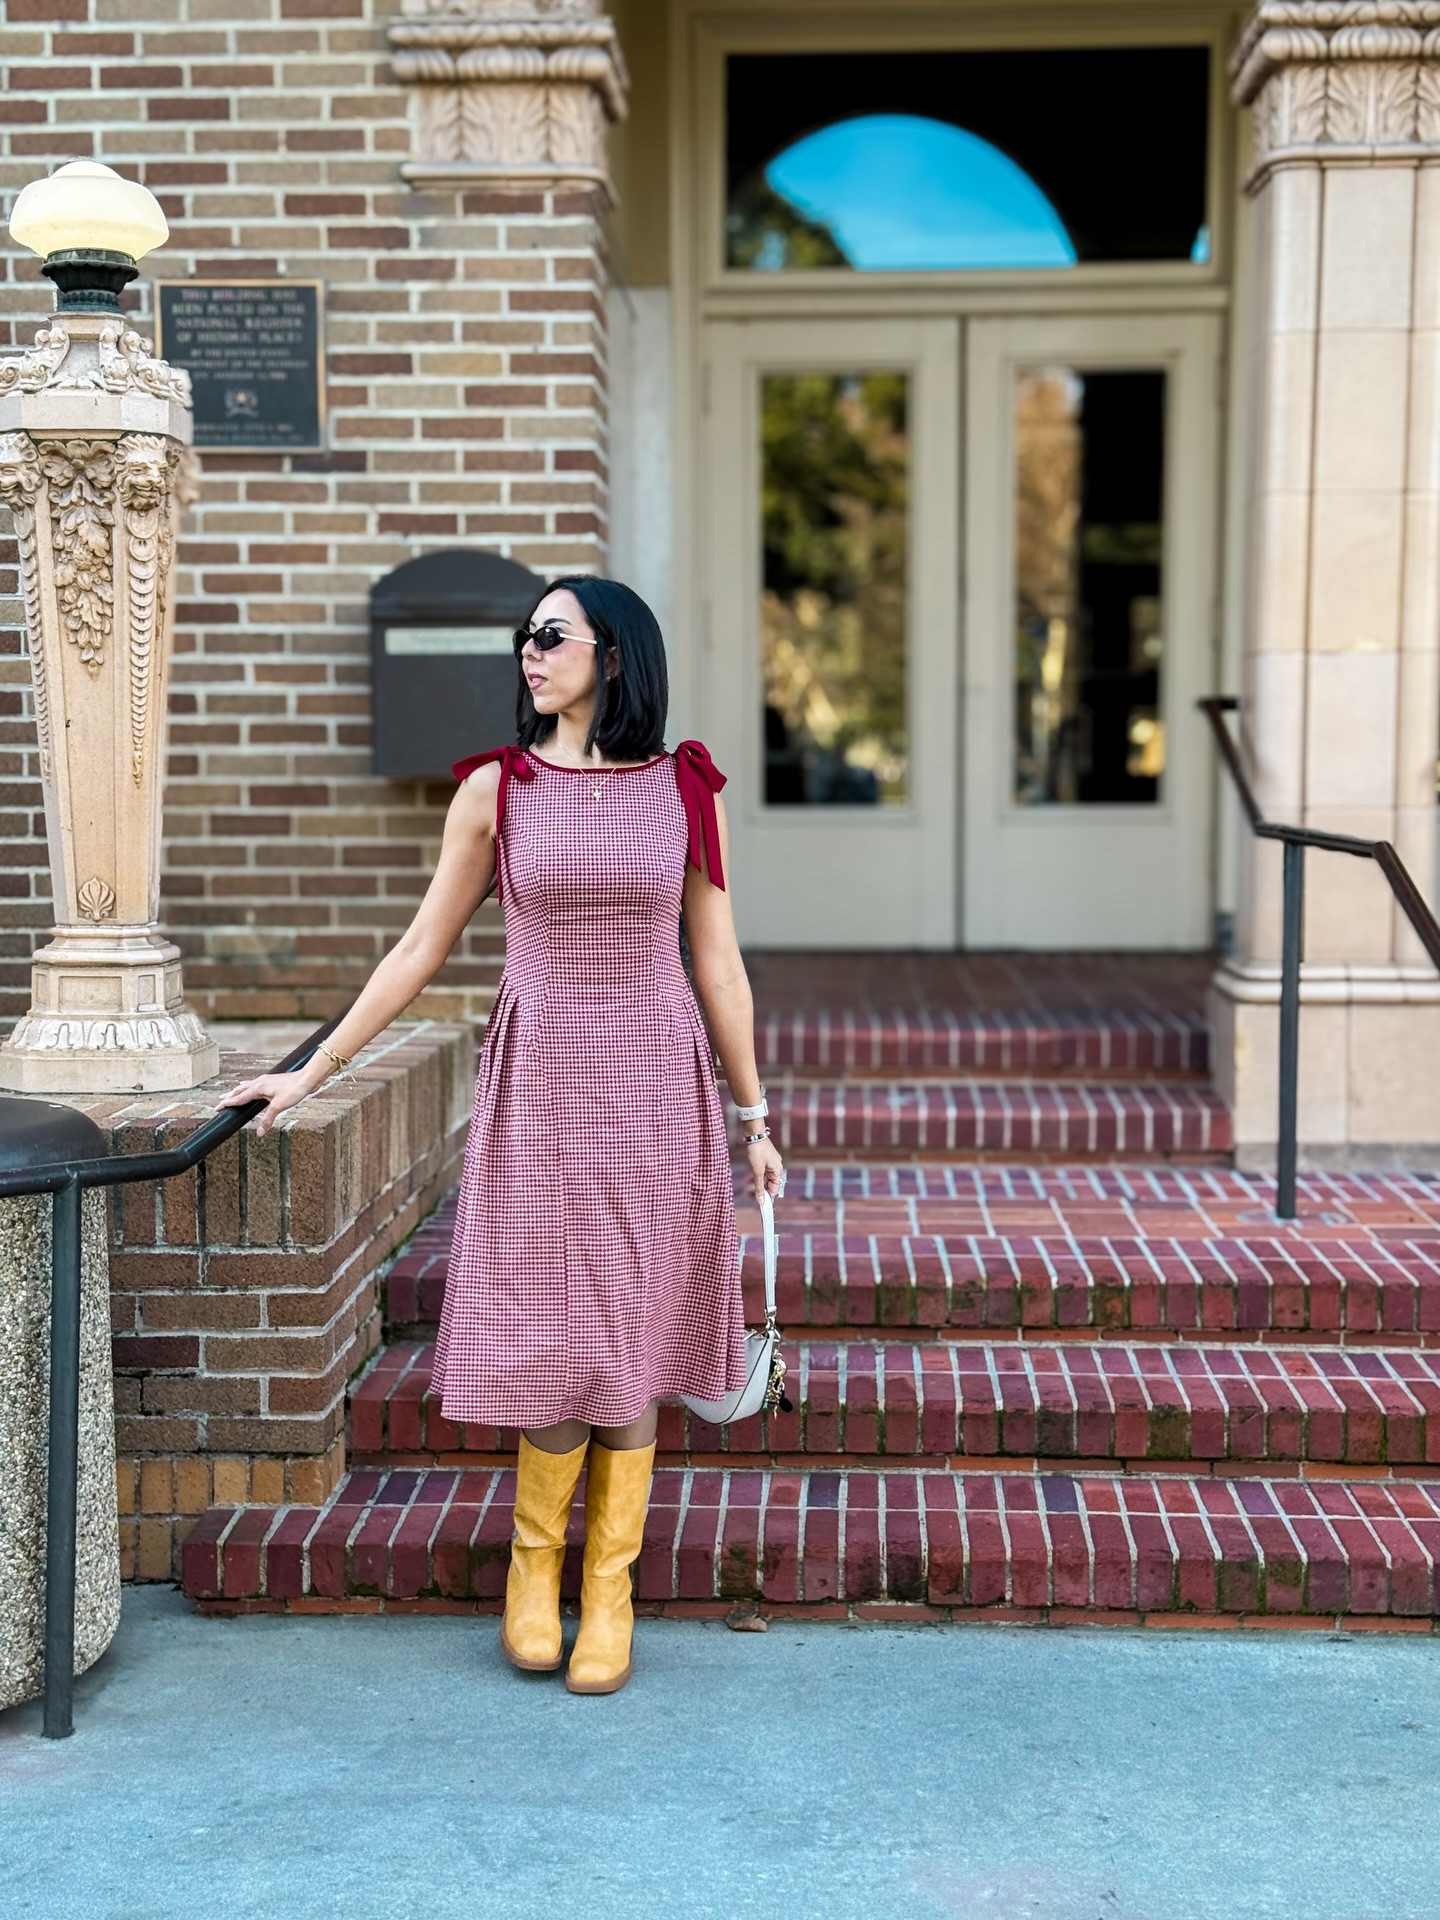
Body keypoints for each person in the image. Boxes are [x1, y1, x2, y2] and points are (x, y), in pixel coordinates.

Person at [221, 575, 785, 1695]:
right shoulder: (496, 788)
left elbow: (717, 962)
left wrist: (754, 1116)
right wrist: (305, 1070)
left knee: (627, 1330)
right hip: (539, 1088)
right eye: (522, 637)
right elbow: (420, 947)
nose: (529, 654)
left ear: (613, 655)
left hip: (653, 1085)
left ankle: (608, 1587)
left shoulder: (687, 790)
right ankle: (536, 1566)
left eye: (551, 636)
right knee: (552, 1327)